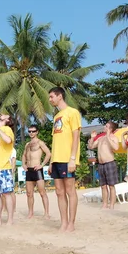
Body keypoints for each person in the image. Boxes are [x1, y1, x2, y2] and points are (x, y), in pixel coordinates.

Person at [48, 87, 82, 232]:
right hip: (56, 159)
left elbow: (76, 137)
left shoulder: (72, 112)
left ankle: (71, 223)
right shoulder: (56, 117)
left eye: (51, 97)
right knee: (59, 192)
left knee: (70, 191)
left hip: (67, 158)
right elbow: (55, 140)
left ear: (59, 96)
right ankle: (63, 222)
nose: (50, 100)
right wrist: (50, 162)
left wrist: (73, 159)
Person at [87, 121, 119, 210]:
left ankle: (112, 204)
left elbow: (116, 147)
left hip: (110, 163)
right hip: (101, 164)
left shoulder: (114, 138)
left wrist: (108, 136)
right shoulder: (101, 138)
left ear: (110, 129)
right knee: (103, 186)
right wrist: (92, 138)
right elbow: (91, 146)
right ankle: (105, 204)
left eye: (106, 126)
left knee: (111, 185)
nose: (104, 127)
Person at [22, 124, 52, 218]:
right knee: (29, 193)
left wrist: (42, 165)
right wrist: (23, 164)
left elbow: (48, 154)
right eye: (29, 131)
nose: (31, 133)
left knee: (42, 192)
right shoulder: (27, 144)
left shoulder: (40, 143)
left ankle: (46, 213)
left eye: (33, 131)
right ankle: (30, 212)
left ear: (37, 132)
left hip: (37, 169)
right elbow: (24, 155)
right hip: (29, 170)